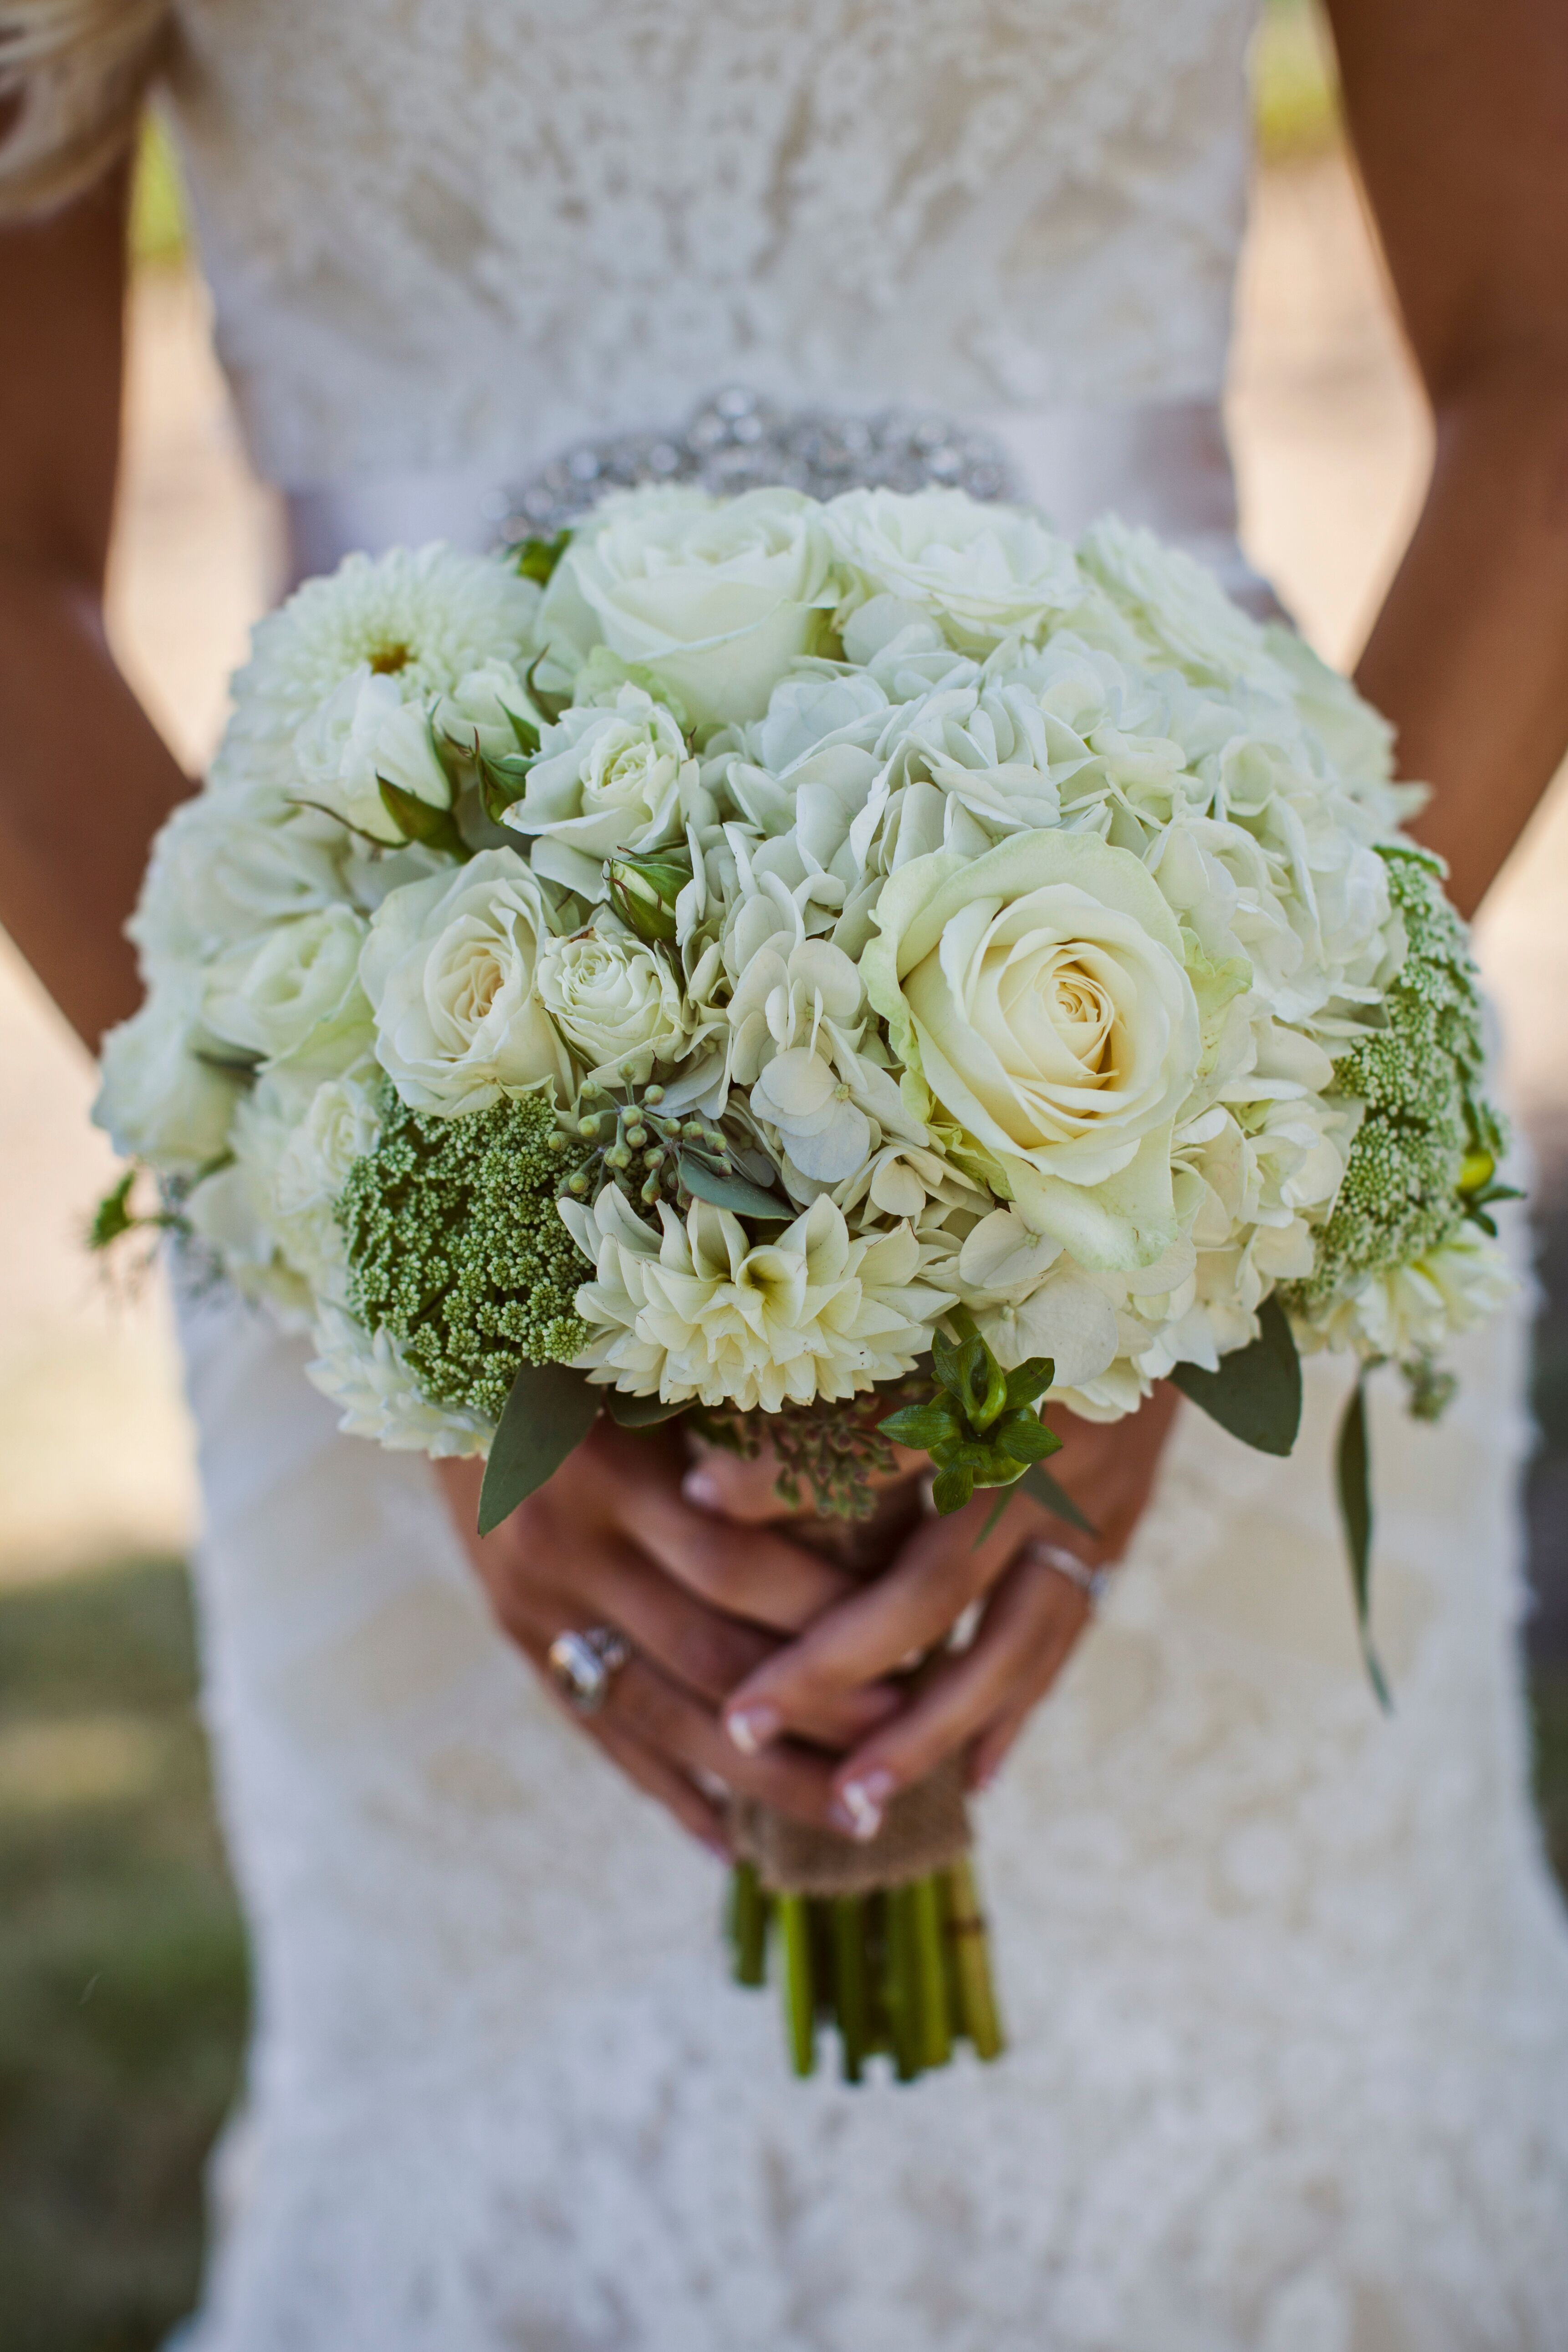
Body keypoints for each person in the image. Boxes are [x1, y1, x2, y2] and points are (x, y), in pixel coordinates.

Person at [3, 3, 1568, 2344]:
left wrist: (1221, 1203)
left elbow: (1545, 352)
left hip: (1176, 1050)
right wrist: (371, 1254)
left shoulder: (1219, 1147)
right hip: (413, 1070)